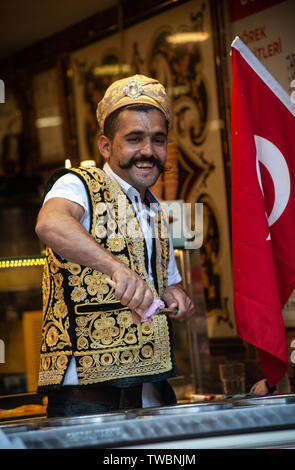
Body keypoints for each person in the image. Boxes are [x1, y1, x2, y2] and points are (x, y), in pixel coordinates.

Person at [35, 74, 195, 418]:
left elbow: (169, 287)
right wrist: (116, 268)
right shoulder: (79, 183)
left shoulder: (154, 208)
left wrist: (177, 297)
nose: (148, 151)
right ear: (106, 146)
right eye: (135, 139)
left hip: (153, 395)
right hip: (89, 400)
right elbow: (50, 223)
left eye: (158, 139)